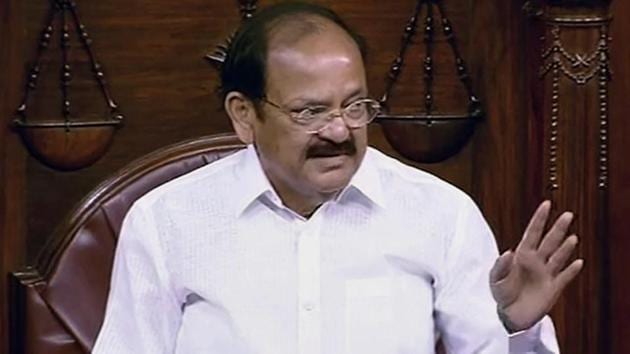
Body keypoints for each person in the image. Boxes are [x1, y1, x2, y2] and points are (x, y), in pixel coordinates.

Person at [92, 2, 583, 353]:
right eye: (310, 112)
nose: (340, 131)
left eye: (355, 106)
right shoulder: (167, 221)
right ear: (244, 115)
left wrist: (517, 330)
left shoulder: (440, 215)